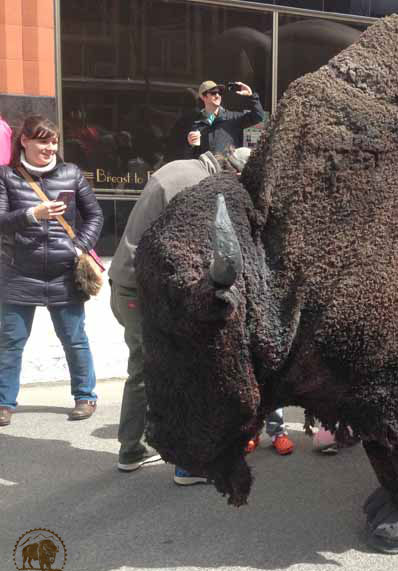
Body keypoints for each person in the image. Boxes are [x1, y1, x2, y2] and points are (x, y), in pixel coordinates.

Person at [108, 146, 293, 481]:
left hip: (127, 284)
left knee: (143, 368)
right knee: (183, 372)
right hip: (149, 290)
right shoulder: (200, 188)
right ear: (235, 172)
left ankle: (131, 449)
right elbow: (193, 253)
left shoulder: (180, 168)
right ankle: (188, 464)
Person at [0, 115, 103, 426]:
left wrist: (79, 247)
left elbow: (95, 215)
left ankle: (85, 396)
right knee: (11, 342)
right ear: (24, 141)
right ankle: (4, 403)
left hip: (64, 272)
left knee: (74, 339)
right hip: (18, 272)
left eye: (54, 142)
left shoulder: (71, 173)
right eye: (43, 141)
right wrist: (33, 214)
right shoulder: (6, 176)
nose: (50, 148)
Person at [185, 81, 265, 158]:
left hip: (227, 166)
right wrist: (190, 144)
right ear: (203, 97)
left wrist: (251, 96)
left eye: (219, 93)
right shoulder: (196, 122)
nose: (217, 96)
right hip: (206, 166)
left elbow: (258, 116)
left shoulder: (232, 117)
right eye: (213, 93)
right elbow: (191, 155)